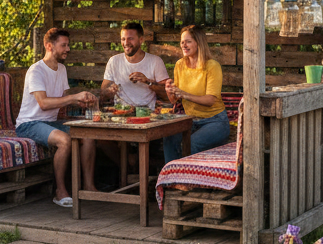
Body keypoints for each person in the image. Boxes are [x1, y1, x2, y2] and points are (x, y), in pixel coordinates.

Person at [80, 22, 169, 191]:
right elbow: (103, 92)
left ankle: (132, 172)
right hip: (119, 115)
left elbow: (167, 93)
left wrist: (148, 81)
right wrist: (109, 91)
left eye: (130, 38)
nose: (126, 42)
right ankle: (128, 162)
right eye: (122, 39)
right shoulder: (114, 61)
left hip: (146, 116)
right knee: (96, 136)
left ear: (141, 40)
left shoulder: (154, 61)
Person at [15, 28, 96, 208]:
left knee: (88, 134)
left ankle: (89, 187)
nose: (68, 49)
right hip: (29, 123)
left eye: (68, 45)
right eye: (64, 45)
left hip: (50, 122)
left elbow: (62, 100)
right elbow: (43, 103)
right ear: (49, 46)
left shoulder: (62, 69)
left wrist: (80, 102)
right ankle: (60, 192)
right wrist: (74, 97)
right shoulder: (36, 70)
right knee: (65, 140)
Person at [162, 25, 231, 163]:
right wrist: (170, 91)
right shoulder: (180, 65)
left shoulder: (212, 66)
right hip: (190, 120)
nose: (184, 45)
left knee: (192, 143)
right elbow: (175, 100)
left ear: (198, 43)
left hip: (215, 121)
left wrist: (185, 94)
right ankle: (173, 178)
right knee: (168, 137)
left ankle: (191, 182)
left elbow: (211, 100)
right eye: (182, 42)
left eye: (188, 41)